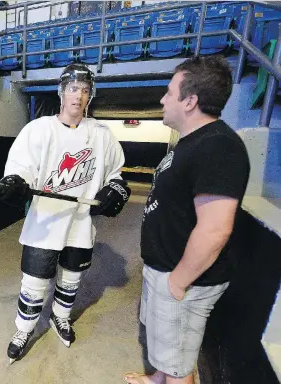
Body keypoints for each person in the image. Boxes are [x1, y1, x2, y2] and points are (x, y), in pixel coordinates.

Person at [124, 56, 250, 384]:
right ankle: (156, 381)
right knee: (166, 348)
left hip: (182, 280)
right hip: (164, 270)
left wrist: (177, 282)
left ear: (190, 101)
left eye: (169, 93)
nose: (162, 99)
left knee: (180, 366)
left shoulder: (218, 147)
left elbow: (214, 228)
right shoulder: (192, 143)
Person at [0, 63, 131, 363]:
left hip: (80, 224)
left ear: (90, 96)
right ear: (61, 92)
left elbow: (116, 175)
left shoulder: (101, 135)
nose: (78, 96)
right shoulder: (38, 130)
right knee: (33, 284)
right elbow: (20, 170)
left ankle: (61, 316)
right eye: (73, 89)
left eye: (85, 91)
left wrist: (117, 190)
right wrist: (15, 183)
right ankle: (24, 328)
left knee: (71, 281)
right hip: (45, 223)